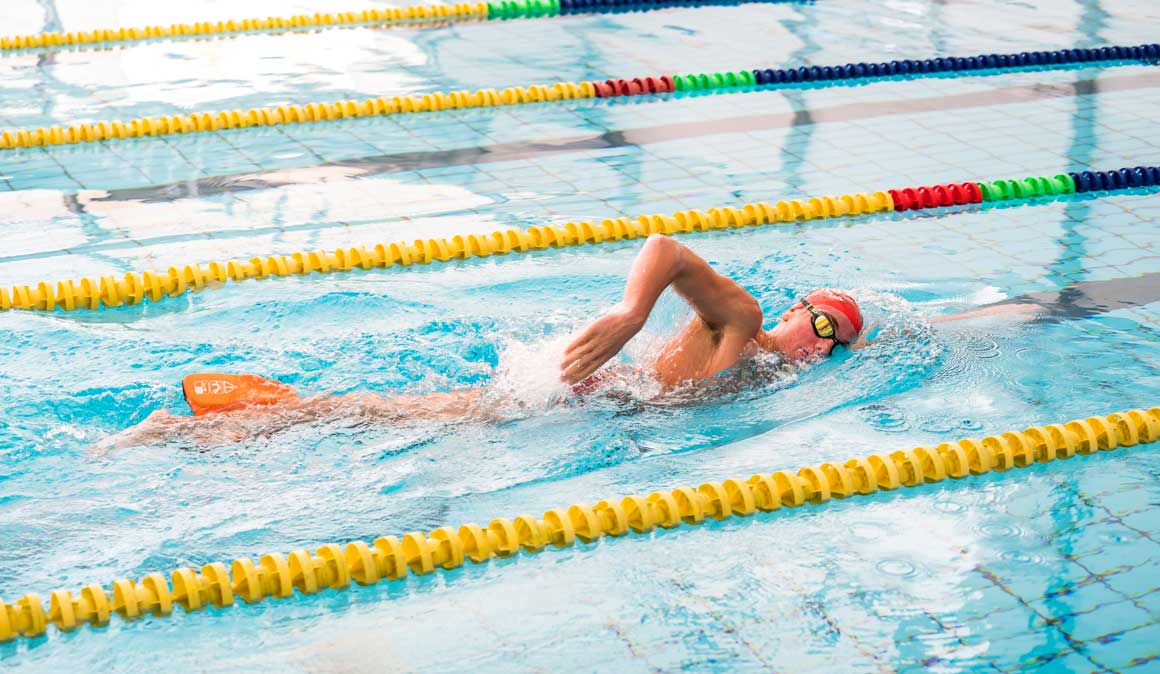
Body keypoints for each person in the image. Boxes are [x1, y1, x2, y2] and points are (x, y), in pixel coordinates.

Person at [97, 234, 864, 451]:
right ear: (797, 309)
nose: (821, 347)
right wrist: (632, 313)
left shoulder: (770, 378)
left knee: (398, 415)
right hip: (582, 394)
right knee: (393, 418)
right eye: (823, 324)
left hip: (600, 408)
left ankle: (248, 424)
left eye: (836, 346)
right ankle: (188, 431)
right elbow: (667, 248)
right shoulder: (741, 319)